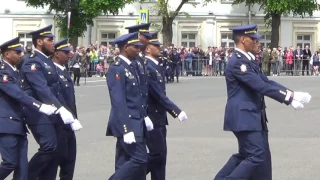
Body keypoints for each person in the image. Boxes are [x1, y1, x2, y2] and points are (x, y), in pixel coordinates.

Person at [214, 24, 312, 180]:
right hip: (244, 118)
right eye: (254, 39)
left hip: (254, 117)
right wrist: (289, 98)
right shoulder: (239, 62)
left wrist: (291, 95)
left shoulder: (249, 60)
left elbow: (267, 82)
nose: (258, 43)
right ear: (243, 39)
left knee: (257, 157)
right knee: (256, 155)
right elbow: (259, 86)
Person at [19, 25, 75, 180]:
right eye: (49, 40)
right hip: (37, 113)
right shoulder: (32, 62)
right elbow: (41, 89)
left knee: (55, 154)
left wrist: (66, 111)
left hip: (51, 114)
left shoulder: (46, 61)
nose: (53, 43)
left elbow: (56, 90)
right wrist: (60, 108)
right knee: (49, 148)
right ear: (39, 42)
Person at [0, 37, 57, 180]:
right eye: (17, 52)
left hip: (18, 125)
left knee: (22, 169)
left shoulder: (15, 72)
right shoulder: (3, 72)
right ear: (7, 54)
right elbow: (18, 94)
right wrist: (40, 106)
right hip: (7, 125)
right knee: (9, 163)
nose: (20, 55)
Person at [106, 32, 152, 180]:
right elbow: (118, 101)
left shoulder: (131, 67)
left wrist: (145, 116)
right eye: (135, 47)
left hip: (137, 120)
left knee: (123, 161)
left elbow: (137, 97)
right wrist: (126, 129)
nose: (139, 49)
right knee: (140, 159)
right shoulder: (117, 69)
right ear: (126, 47)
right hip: (128, 122)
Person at [144, 32, 188, 180]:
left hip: (159, 118)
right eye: (156, 46)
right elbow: (158, 95)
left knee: (161, 157)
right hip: (152, 117)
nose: (159, 48)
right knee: (157, 156)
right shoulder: (148, 67)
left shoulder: (156, 66)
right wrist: (176, 111)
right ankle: (127, 176)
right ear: (148, 49)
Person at [51, 38, 83, 180]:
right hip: (58, 123)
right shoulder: (52, 72)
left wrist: (74, 118)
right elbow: (57, 98)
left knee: (70, 161)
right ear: (57, 54)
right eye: (65, 52)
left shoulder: (64, 70)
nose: (69, 54)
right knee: (56, 160)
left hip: (69, 123)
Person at [125, 23, 152, 121]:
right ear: (138, 36)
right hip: (133, 114)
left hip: (141, 111)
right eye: (146, 37)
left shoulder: (141, 57)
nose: (148, 41)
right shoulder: (131, 60)